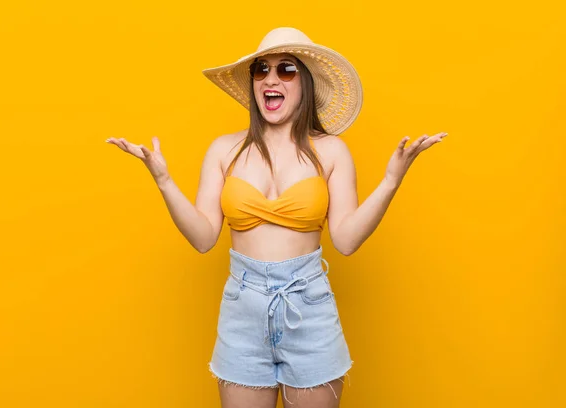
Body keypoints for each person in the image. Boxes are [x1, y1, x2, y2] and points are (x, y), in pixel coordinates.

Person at [106, 27, 448, 408]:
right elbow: (203, 238)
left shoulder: (331, 151)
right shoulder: (224, 150)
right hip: (243, 307)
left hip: (309, 306)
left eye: (286, 69)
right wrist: (164, 180)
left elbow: (347, 241)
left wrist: (390, 181)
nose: (271, 78)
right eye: (261, 69)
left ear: (305, 82)